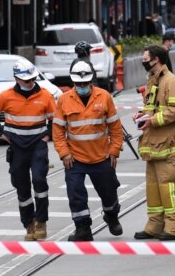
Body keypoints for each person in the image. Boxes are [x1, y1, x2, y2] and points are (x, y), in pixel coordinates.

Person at [0, 60, 56, 241]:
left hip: (37, 145)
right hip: (17, 147)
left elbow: (55, 120)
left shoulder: (45, 95)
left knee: (39, 181)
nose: (30, 83)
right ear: (16, 78)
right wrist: (2, 133)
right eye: (26, 80)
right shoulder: (7, 96)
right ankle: (28, 223)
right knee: (21, 186)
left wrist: (47, 135)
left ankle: (41, 221)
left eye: (32, 79)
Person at [52, 61, 124, 241]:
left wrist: (114, 150)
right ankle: (83, 227)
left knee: (109, 190)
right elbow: (58, 131)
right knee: (75, 192)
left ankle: (111, 215)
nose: (82, 87)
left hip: (101, 156)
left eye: (85, 84)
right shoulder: (64, 100)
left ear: (91, 81)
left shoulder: (104, 96)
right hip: (75, 158)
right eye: (79, 84)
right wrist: (64, 153)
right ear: (73, 82)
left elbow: (115, 127)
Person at [132, 45, 175, 241]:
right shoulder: (153, 81)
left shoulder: (171, 82)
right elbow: (153, 108)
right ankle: (155, 226)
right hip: (155, 146)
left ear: (156, 59)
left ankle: (174, 228)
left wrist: (153, 119)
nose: (143, 61)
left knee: (169, 188)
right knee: (154, 188)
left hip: (170, 146)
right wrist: (142, 116)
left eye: (145, 58)